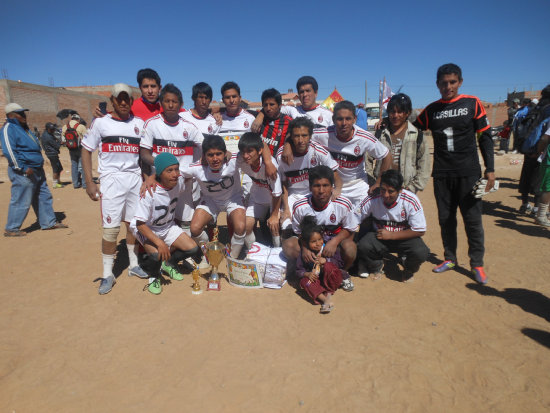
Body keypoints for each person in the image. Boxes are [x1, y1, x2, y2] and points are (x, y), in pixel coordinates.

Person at [413, 63, 495, 284]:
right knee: (445, 219)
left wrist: (491, 169)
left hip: (468, 173)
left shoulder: (472, 103)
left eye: (452, 82)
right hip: (442, 174)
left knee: (472, 220)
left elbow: (485, 137)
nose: (448, 86)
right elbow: (412, 129)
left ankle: (476, 263)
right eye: (443, 83)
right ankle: (450, 258)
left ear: (460, 82)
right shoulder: (431, 110)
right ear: (437, 84)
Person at [81, 83, 148, 295]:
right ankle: (107, 274)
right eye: (119, 98)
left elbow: (145, 153)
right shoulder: (101, 123)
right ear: (112, 101)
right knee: (111, 231)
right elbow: (86, 150)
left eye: (126, 98)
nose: (123, 102)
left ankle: (134, 264)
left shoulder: (139, 123)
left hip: (134, 179)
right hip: (111, 181)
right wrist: (89, 182)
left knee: (133, 226)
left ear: (131, 101)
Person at [130, 152, 202, 294]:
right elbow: (140, 224)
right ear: (160, 173)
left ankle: (168, 263)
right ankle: (154, 276)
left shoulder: (178, 181)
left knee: (193, 249)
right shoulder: (150, 192)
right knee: (157, 253)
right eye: (169, 170)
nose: (175, 174)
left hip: (167, 226)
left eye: (176, 169)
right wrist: (159, 242)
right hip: (147, 228)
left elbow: (192, 171)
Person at [139, 84, 204, 234]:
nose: (170, 105)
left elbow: (206, 147)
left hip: (183, 183)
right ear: (161, 103)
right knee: (160, 222)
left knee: (186, 222)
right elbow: (144, 154)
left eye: (174, 101)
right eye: (167, 101)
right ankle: (163, 255)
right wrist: (163, 168)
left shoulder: (189, 127)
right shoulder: (152, 124)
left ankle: (185, 255)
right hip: (160, 184)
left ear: (180, 104)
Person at [283, 165, 357, 292]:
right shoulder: (300, 206)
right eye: (317, 186)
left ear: (332, 187)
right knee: (288, 245)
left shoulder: (343, 204)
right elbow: (299, 232)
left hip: (334, 246)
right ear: (310, 187)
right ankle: (310, 272)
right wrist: (305, 248)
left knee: (350, 248)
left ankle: (341, 273)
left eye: (325, 185)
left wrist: (334, 242)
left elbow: (350, 229)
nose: (321, 190)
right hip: (312, 245)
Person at [0, 103, 68, 237]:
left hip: (37, 169)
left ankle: (48, 222)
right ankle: (12, 228)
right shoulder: (9, 128)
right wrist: (23, 168)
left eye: (23, 113)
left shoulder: (24, 128)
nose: (24, 116)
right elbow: (9, 151)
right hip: (24, 171)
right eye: (20, 113)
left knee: (44, 196)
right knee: (21, 199)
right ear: (11, 116)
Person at [355, 170, 429, 282]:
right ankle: (376, 265)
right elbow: (354, 218)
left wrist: (392, 235)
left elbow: (420, 230)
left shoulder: (410, 200)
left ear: (400, 190)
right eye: (383, 190)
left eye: (391, 191)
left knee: (421, 252)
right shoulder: (372, 199)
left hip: (403, 238)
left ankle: (408, 269)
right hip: (379, 237)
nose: (385, 195)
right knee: (363, 245)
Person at [183, 135, 246, 259]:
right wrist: (151, 178)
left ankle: (231, 259)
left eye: (219, 154)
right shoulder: (197, 168)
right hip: (211, 200)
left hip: (233, 198)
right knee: (195, 228)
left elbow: (257, 147)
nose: (215, 158)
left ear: (224, 153)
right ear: (204, 156)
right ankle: (211, 255)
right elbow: (172, 170)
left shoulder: (234, 160)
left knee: (240, 227)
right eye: (210, 155)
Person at [276, 117, 342, 231]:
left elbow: (336, 176)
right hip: (293, 196)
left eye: (304, 135)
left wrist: (337, 190)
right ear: (291, 136)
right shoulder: (282, 156)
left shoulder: (319, 152)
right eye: (296, 136)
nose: (300, 140)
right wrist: (286, 208)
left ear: (310, 136)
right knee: (286, 225)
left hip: (315, 195)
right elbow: (283, 185)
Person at [373, 94, 430, 193]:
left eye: (400, 112)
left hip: (406, 189)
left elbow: (424, 164)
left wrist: (412, 187)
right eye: (392, 112)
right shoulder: (379, 133)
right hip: (382, 190)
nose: (395, 115)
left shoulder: (417, 135)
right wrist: (374, 182)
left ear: (407, 113)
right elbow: (367, 159)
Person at [236, 132, 282, 249]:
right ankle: (254, 253)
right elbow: (227, 157)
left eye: (250, 151)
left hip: (273, 200)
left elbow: (277, 193)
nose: (246, 156)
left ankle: (277, 256)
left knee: (274, 227)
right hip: (257, 197)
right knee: (246, 227)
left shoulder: (271, 166)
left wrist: (274, 215)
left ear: (259, 151)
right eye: (243, 152)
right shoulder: (240, 159)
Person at [296, 216, 346, 314]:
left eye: (320, 239)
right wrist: (307, 274)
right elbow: (298, 270)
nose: (318, 243)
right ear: (306, 243)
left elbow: (340, 263)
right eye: (313, 242)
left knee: (328, 266)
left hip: (331, 279)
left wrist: (326, 260)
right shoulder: (305, 254)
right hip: (317, 280)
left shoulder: (327, 248)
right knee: (305, 282)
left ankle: (328, 289)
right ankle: (325, 299)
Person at [251, 76, 333, 131]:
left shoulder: (328, 115)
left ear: (316, 93)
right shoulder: (292, 110)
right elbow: (271, 108)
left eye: (308, 91)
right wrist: (260, 117)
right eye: (301, 92)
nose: (304, 95)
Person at [257, 88, 293, 156]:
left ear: (280, 105)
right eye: (265, 105)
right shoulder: (259, 120)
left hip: (278, 164)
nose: (268, 108)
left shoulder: (289, 122)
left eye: (271, 104)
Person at [62, 114, 87, 189]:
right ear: (78, 119)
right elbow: (86, 137)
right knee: (82, 166)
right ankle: (84, 184)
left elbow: (63, 140)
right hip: (80, 149)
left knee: (74, 165)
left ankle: (75, 184)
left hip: (71, 149)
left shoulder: (65, 127)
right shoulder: (81, 126)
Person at [535, 119, 550, 227]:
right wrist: (539, 151)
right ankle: (541, 216)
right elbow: (544, 138)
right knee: (548, 188)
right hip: (549, 161)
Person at [40, 122, 64, 188]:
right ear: (48, 129)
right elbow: (57, 146)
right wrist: (60, 142)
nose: (53, 130)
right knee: (56, 168)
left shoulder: (46, 134)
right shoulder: (48, 137)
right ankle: (55, 183)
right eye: (52, 129)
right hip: (52, 154)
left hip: (51, 153)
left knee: (59, 168)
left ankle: (58, 181)